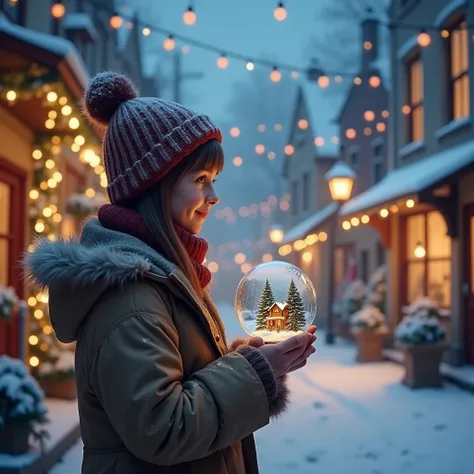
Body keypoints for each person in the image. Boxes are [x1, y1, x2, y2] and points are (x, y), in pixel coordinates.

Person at [24, 72, 317, 474]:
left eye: (213, 181)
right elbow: (162, 426)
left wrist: (246, 362)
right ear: (155, 184)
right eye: (200, 180)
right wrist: (255, 373)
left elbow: (176, 384)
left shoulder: (162, 279)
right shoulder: (131, 298)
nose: (213, 197)